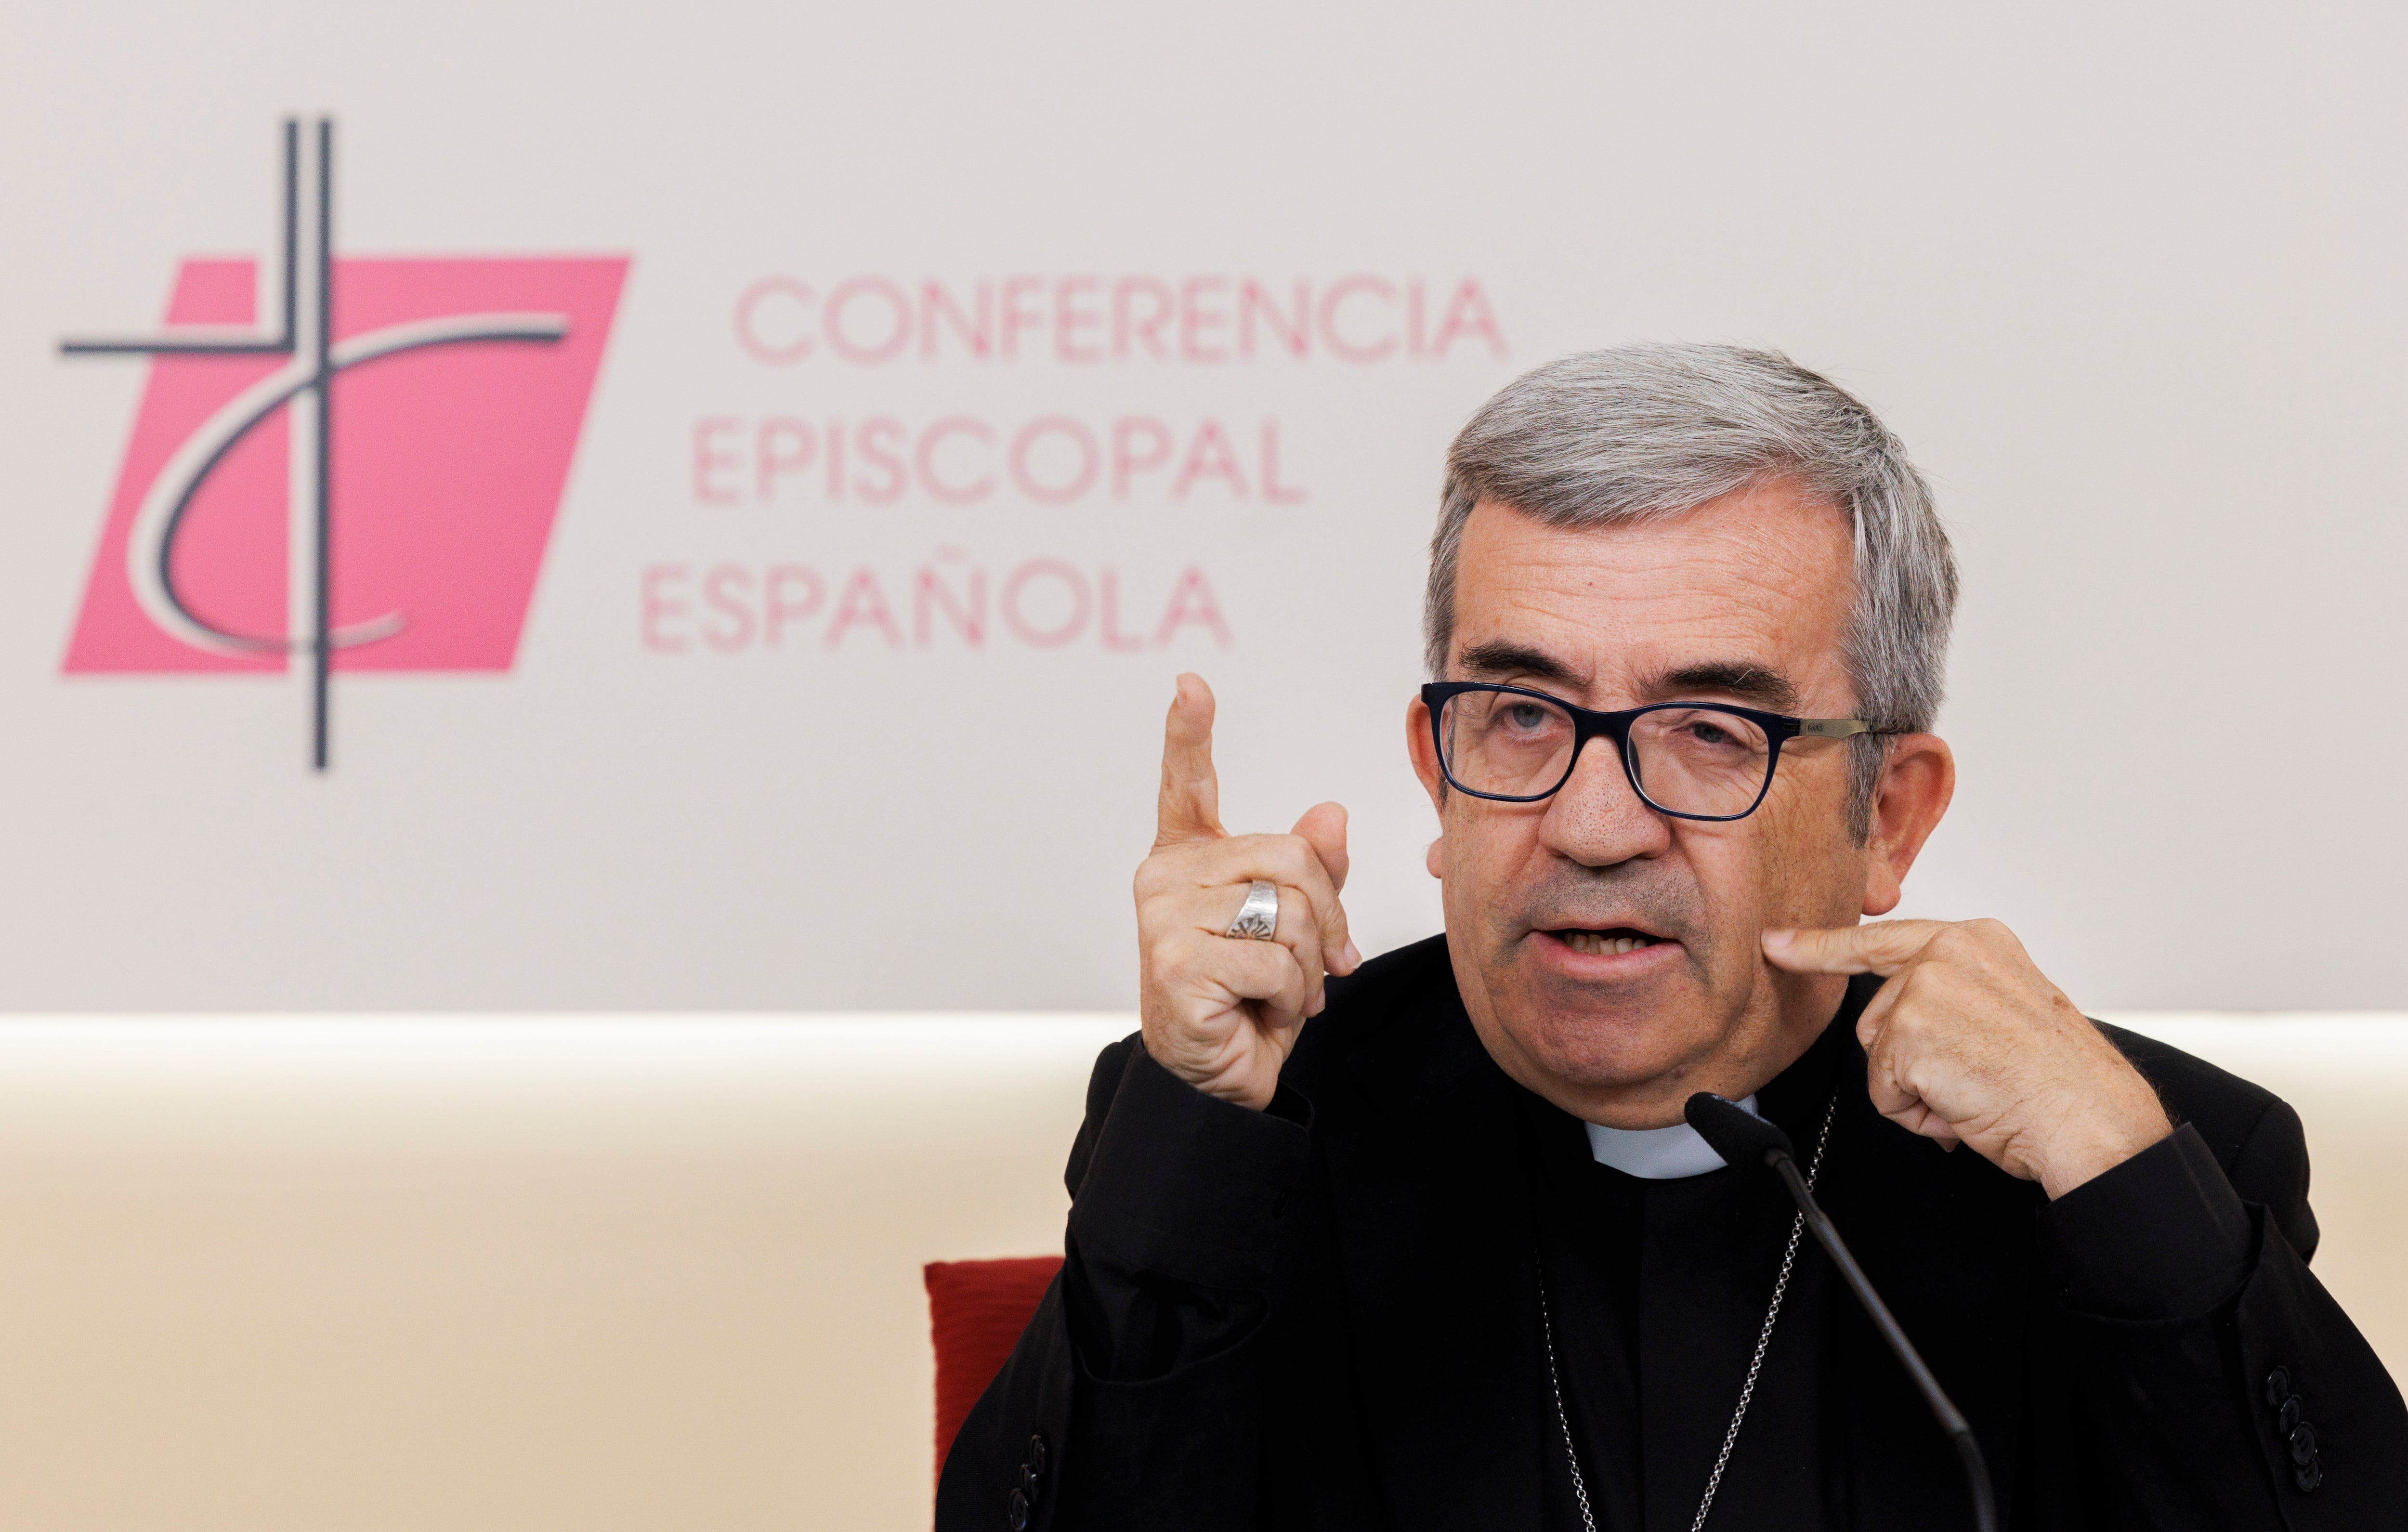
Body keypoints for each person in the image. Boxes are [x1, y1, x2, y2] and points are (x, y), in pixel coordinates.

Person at [936, 345, 2408, 1531]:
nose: (1591, 824)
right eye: (1519, 715)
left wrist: (2129, 1179)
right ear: (1433, 773)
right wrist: (1190, 1143)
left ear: (1889, 815)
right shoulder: (1253, 1138)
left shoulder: (2126, 1164)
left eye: (1708, 732)